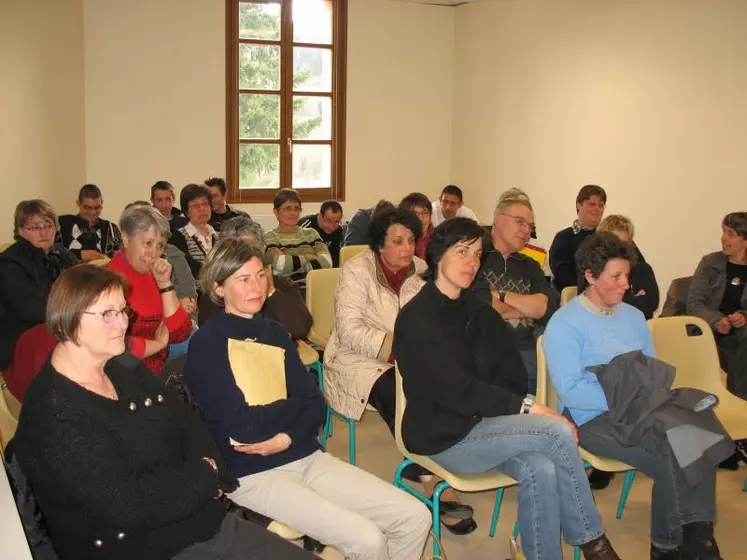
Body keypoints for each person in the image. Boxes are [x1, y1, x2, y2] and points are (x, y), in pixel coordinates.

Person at [12, 264, 313, 560]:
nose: (122, 324)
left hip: (195, 519)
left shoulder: (121, 367)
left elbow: (184, 421)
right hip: (136, 547)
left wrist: (213, 472)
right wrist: (205, 474)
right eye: (107, 314)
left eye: (123, 311)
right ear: (65, 323)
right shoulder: (53, 414)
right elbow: (130, 505)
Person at [184, 237, 431, 560]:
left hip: (305, 455)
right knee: (368, 540)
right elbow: (243, 427)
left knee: (415, 516)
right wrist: (292, 410)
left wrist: (286, 435)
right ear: (218, 288)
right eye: (243, 279)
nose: (256, 286)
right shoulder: (208, 343)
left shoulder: (274, 333)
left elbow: (315, 404)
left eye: (261, 275)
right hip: (255, 473)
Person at [395, 218, 620, 560]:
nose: (471, 262)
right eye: (461, 252)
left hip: (484, 423)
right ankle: (593, 542)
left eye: (476, 253)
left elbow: (511, 374)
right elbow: (454, 390)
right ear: (439, 255)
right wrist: (527, 408)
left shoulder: (479, 311)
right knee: (555, 431)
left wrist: (505, 406)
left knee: (541, 467)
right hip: (442, 435)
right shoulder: (417, 318)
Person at [544, 233, 723, 560]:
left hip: (642, 407)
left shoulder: (633, 317)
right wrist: (630, 395)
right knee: (673, 448)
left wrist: (644, 394)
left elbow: (650, 368)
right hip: (589, 418)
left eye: (627, 275)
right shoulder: (565, 324)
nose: (626, 283)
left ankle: (697, 536)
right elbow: (572, 390)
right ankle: (672, 547)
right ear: (590, 276)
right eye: (616, 276)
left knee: (697, 433)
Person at [324, 207, 476, 535]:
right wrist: (400, 350)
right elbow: (348, 329)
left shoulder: (422, 270)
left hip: (411, 357)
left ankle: (441, 458)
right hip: (359, 359)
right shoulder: (356, 270)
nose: (407, 249)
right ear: (380, 244)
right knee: (401, 392)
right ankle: (427, 473)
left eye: (410, 240)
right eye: (398, 242)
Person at [470, 188, 556, 393]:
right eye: (520, 222)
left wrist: (500, 295)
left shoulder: (530, 266)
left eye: (530, 226)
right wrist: (527, 307)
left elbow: (545, 307)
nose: (527, 231)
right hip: (490, 350)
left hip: (528, 349)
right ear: (498, 219)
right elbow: (483, 306)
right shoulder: (475, 257)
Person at [0, 200, 78, 396]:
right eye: (34, 227)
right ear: (20, 231)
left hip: (61, 325)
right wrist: (74, 311)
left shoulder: (63, 255)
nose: (43, 232)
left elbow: (86, 289)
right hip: (20, 339)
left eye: (48, 225)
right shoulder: (10, 262)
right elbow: (30, 308)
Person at [108, 204, 193, 374]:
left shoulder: (155, 276)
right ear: (125, 238)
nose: (154, 253)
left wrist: (165, 284)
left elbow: (180, 333)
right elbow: (110, 344)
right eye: (147, 243)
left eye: (160, 245)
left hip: (158, 369)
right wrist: (158, 344)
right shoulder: (107, 281)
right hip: (123, 373)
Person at [198, 216, 312, 340]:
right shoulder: (218, 287)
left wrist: (270, 291)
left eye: (251, 249)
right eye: (237, 252)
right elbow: (211, 332)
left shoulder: (282, 283)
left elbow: (300, 329)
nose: (246, 257)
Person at [687, 212, 747, 384]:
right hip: (710, 330)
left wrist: (743, 317)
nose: (723, 238)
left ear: (745, 240)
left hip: (741, 335)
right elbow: (694, 304)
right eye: (724, 231)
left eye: (731, 234)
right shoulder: (710, 263)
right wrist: (717, 320)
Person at [264, 188, 332, 293]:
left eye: (297, 208)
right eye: (287, 208)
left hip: (316, 289)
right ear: (276, 212)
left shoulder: (311, 233)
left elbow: (327, 262)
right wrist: (309, 256)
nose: (293, 213)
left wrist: (291, 264)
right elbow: (280, 264)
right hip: (287, 292)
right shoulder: (269, 237)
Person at [597, 214, 659, 319]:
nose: (621, 249)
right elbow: (594, 306)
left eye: (625, 243)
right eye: (615, 243)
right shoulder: (593, 272)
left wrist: (615, 301)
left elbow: (651, 303)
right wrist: (633, 300)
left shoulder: (642, 269)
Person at [549, 184, 607, 291]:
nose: (597, 209)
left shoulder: (609, 237)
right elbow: (562, 276)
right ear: (578, 205)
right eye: (592, 204)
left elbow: (638, 264)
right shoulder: (563, 238)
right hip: (577, 297)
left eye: (601, 205)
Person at [59, 184, 122, 262]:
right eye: (87, 207)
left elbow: (121, 257)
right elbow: (52, 253)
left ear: (102, 203)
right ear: (78, 203)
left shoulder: (111, 229)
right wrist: (80, 254)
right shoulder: (63, 225)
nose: (93, 212)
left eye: (97, 207)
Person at [171, 183, 220, 278]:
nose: (202, 209)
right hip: (195, 290)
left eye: (205, 204)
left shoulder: (219, 235)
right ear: (186, 212)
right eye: (195, 206)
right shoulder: (179, 236)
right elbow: (187, 268)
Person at [299, 200, 344, 266]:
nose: (332, 227)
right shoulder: (304, 227)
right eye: (329, 221)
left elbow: (335, 258)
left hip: (326, 269)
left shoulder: (338, 230)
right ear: (320, 215)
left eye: (337, 222)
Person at [398, 192, 433, 260]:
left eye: (425, 213)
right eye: (415, 214)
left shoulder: (439, 238)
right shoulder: (397, 241)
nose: (420, 218)